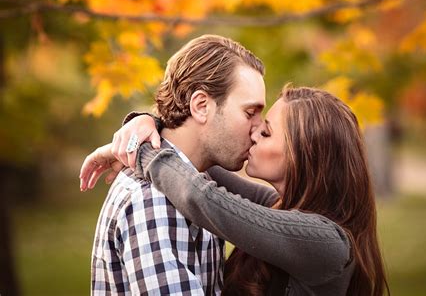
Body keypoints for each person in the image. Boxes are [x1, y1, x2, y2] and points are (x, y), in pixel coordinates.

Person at [81, 84, 390, 296]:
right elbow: (196, 155)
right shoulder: (279, 207)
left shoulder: (324, 243)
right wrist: (147, 124)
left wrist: (140, 150)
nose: (254, 133)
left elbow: (202, 197)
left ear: (305, 155)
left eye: (266, 131)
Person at [87, 33, 266, 295]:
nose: (258, 129)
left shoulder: (199, 184)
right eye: (250, 113)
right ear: (201, 106)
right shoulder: (154, 199)